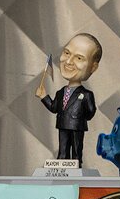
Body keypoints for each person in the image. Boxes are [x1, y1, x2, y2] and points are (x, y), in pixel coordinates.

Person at [36, 32, 101, 165]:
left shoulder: (87, 95)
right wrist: (44, 96)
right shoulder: (61, 92)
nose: (69, 61)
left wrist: (80, 116)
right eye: (66, 53)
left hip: (77, 126)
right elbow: (54, 107)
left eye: (79, 58)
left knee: (76, 149)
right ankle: (61, 162)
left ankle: (76, 163)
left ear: (93, 67)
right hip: (62, 124)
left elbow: (90, 113)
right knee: (63, 148)